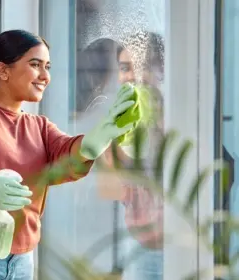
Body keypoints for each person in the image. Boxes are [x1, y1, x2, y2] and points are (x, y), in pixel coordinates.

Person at [0, 29, 138, 280]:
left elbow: (68, 154)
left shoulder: (39, 127)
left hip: (21, 262)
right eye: (35, 65)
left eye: (48, 67)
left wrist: (98, 139)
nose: (45, 76)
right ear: (3, 70)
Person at [97, 30, 165, 280]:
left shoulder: (179, 115)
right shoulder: (120, 120)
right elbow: (110, 189)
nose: (132, 76)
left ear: (161, 69)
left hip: (176, 242)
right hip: (135, 242)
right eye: (125, 67)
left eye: (142, 66)